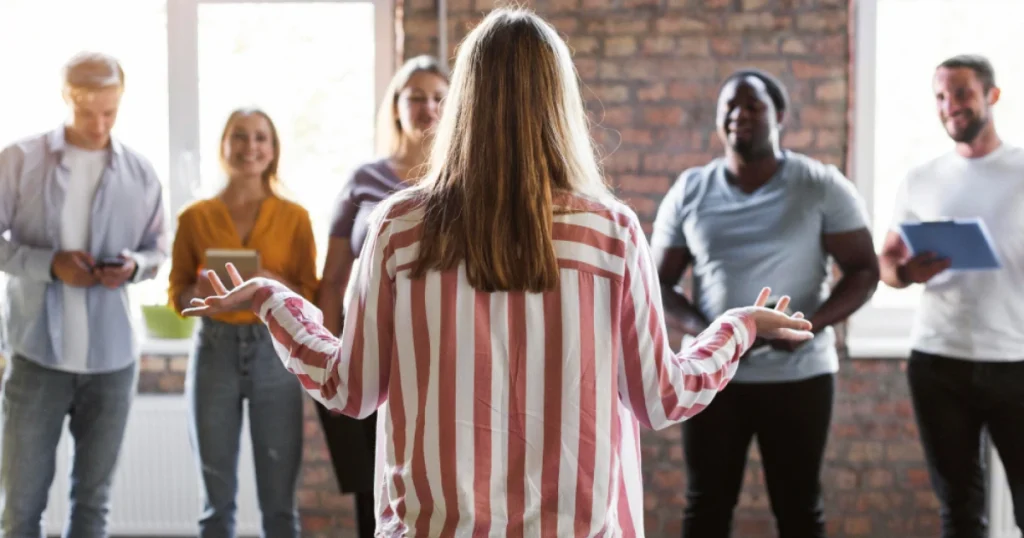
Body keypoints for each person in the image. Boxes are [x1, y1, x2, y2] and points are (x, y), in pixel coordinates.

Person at [180, 8, 814, 536]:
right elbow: (662, 398)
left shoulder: (400, 227)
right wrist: (738, 328)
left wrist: (272, 302)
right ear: (559, 103)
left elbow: (350, 388)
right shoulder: (611, 233)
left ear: (463, 100)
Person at [650, 69, 879, 538]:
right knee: (706, 509)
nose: (740, 115)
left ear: (780, 115)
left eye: (753, 105)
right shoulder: (691, 190)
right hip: (713, 378)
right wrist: (717, 334)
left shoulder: (821, 185)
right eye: (730, 106)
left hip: (800, 377)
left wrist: (809, 326)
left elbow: (864, 271)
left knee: (799, 511)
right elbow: (660, 285)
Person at [0, 52, 167, 536]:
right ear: (66, 98)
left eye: (109, 112)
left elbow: (158, 249)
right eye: (87, 112)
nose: (98, 125)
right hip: (36, 358)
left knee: (93, 508)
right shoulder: (19, 161)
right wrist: (49, 264)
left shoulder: (141, 172)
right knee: (21, 509)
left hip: (112, 364)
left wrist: (135, 266)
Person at [878, 54, 1024, 537]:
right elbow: (887, 262)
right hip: (939, 362)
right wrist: (906, 272)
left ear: (992, 96)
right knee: (959, 511)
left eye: (961, 93)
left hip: (1016, 360)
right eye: (941, 96)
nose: (950, 105)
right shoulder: (921, 179)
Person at [167, 108, 319, 538]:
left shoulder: (295, 217)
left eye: (260, 137)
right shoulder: (194, 218)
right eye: (239, 136)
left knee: (279, 505)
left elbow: (309, 296)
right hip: (214, 349)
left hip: (276, 350)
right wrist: (198, 294)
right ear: (223, 145)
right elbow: (177, 295)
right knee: (216, 505)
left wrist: (271, 282)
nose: (250, 146)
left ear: (273, 149)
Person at [316, 55, 448, 538]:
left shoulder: (463, 178)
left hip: (434, 360)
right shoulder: (364, 179)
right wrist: (333, 358)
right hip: (369, 355)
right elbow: (332, 279)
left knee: (431, 488)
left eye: (439, 98)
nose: (428, 108)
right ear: (395, 106)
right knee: (370, 490)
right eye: (416, 97)